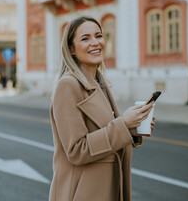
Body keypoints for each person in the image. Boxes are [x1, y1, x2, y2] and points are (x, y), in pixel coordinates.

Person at [49, 16, 155, 201]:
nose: (95, 42)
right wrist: (123, 124)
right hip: (81, 193)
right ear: (71, 49)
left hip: (106, 189)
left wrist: (132, 128)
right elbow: (76, 150)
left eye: (98, 36)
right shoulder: (68, 86)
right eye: (85, 38)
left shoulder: (100, 82)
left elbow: (105, 133)